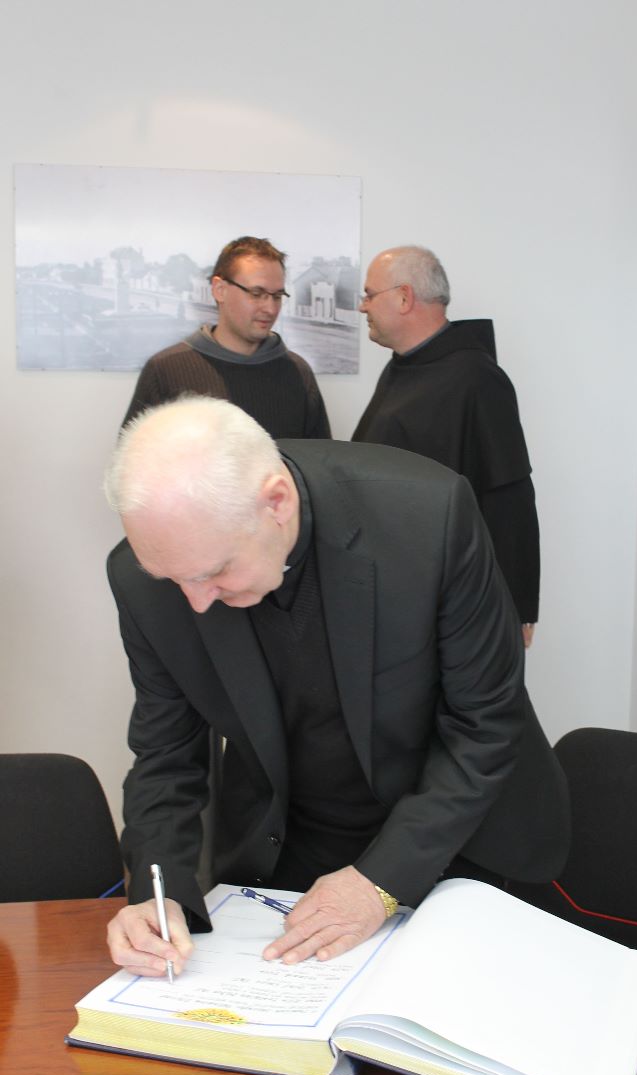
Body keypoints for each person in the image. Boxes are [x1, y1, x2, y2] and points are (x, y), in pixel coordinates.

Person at [103, 397, 569, 978]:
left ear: (277, 502)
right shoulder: (146, 578)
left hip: (459, 840)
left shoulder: (428, 516)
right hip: (291, 846)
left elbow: (485, 725)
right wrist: (159, 892)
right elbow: (166, 754)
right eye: (174, 579)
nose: (196, 602)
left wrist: (380, 881)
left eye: (215, 572)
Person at [353, 245, 539, 647]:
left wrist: (516, 605)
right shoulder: (404, 365)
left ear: (404, 297)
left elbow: (509, 495)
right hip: (396, 586)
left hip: (450, 597)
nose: (362, 306)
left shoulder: (477, 379)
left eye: (369, 294)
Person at [121, 236, 331, 439]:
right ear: (219, 290)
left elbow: (320, 459)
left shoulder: (298, 373)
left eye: (277, 296)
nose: (270, 308)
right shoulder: (165, 370)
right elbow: (133, 458)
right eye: (256, 294)